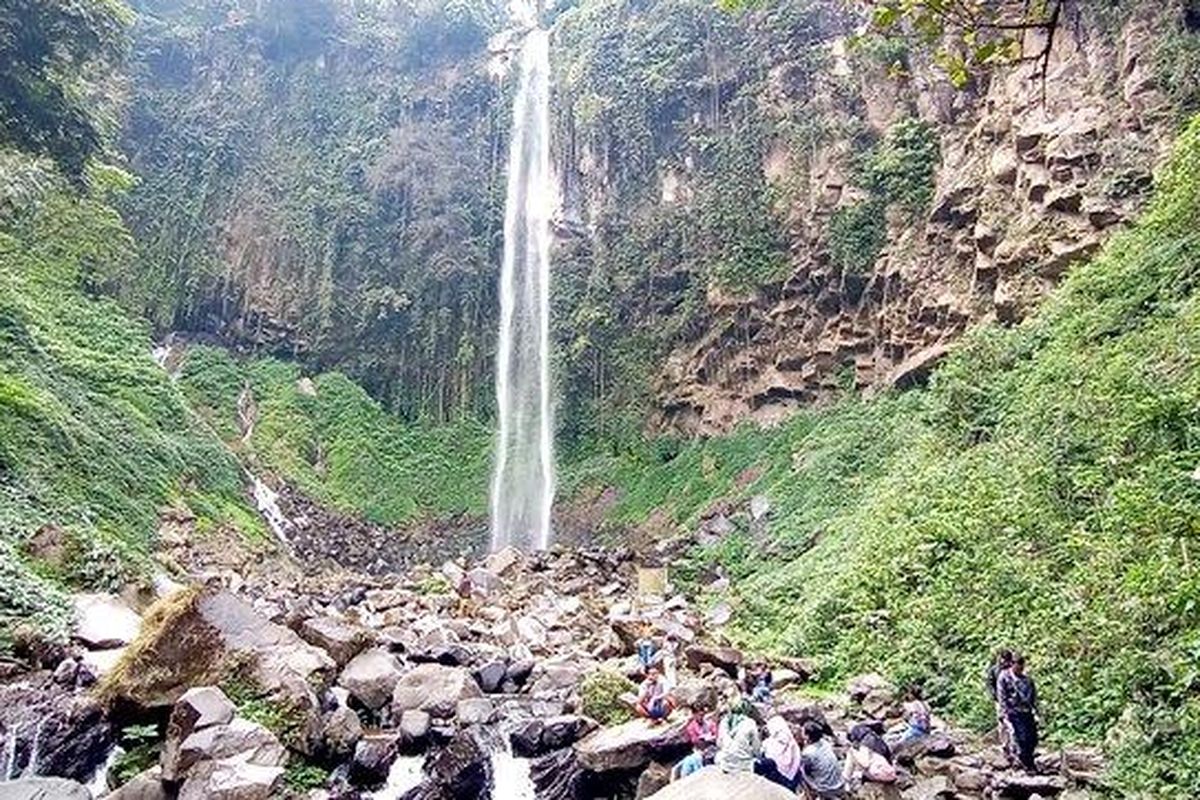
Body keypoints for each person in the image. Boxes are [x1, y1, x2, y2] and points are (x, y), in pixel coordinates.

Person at [998, 654, 1039, 773]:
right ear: (1012, 664)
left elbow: (1033, 697)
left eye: (1022, 667)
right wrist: (1003, 712)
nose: (1020, 669)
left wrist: (1037, 711)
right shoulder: (1004, 677)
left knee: (1033, 738)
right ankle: (1027, 763)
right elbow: (1002, 696)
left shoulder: (1027, 680)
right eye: (1018, 666)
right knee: (1022, 738)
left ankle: (1027, 760)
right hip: (1013, 711)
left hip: (1026, 711)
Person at [799, 721, 847, 799]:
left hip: (826, 789)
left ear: (807, 736)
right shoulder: (825, 743)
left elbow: (806, 770)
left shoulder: (808, 753)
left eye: (803, 732)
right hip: (840, 784)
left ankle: (811, 796)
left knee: (799, 771)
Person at [671, 705, 718, 781]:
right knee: (694, 760)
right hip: (700, 750)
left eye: (702, 715)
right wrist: (704, 739)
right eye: (699, 715)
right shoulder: (691, 727)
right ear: (694, 715)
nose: (701, 717)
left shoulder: (710, 723)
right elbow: (695, 741)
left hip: (712, 747)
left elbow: (716, 735)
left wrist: (710, 738)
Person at [754, 715, 802, 790]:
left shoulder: (768, 743)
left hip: (776, 782)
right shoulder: (793, 743)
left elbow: (759, 755)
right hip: (793, 778)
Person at [842, 724, 896, 788]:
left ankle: (846, 778)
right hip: (890, 773)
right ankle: (854, 775)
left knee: (851, 752)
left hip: (881, 776)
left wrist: (853, 749)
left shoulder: (865, 744)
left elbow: (865, 764)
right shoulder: (878, 740)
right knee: (869, 760)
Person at [715, 699, 761, 774]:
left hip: (726, 764)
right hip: (744, 765)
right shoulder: (750, 722)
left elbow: (719, 744)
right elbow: (756, 747)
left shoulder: (724, 721)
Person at [986, 650, 1015, 762]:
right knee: (1002, 723)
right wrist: (994, 696)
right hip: (999, 700)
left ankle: (1013, 747)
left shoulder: (1012, 669)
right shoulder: (994, 670)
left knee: (1012, 724)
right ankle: (1005, 746)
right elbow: (989, 683)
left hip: (1012, 701)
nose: (1004, 662)